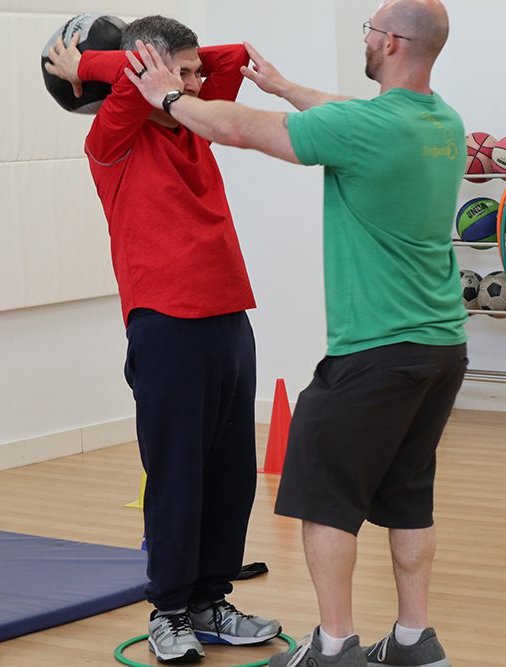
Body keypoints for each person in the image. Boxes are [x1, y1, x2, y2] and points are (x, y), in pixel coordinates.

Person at [124, 1, 465, 665]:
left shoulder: (360, 128)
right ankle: (412, 640)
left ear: (392, 42)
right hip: (441, 347)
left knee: (326, 503)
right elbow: (344, 109)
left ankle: (333, 647)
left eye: (369, 30)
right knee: (408, 497)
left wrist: (168, 94)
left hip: (375, 351)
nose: (364, 38)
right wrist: (283, 86)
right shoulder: (439, 121)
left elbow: (240, 128)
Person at [44, 15, 281, 664]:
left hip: (229, 315)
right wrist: (96, 67)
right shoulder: (113, 137)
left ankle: (211, 600)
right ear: (146, 73)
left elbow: (234, 55)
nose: (203, 82)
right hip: (165, 324)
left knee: (231, 475)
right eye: (186, 73)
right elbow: (132, 79)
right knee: (178, 474)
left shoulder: (195, 124)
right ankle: (169, 609)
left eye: (197, 74)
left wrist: (174, 72)